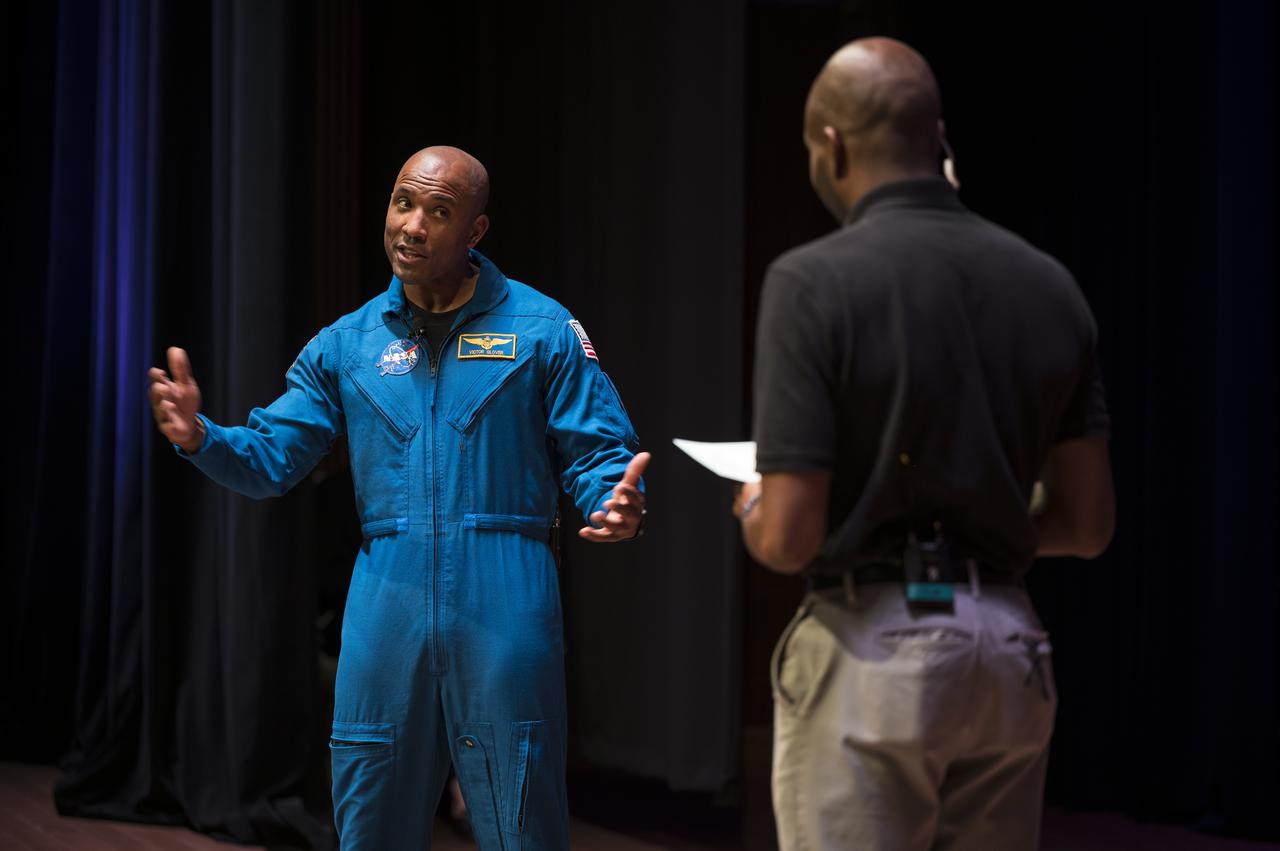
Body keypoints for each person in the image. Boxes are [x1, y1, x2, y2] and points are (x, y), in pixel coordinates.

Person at [150, 146, 649, 850]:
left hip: (505, 594)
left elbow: (600, 454)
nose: (412, 225)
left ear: (475, 231)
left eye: (439, 211)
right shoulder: (346, 344)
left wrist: (613, 502)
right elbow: (270, 458)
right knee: (372, 817)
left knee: (522, 819)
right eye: (402, 203)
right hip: (386, 599)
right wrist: (201, 436)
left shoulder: (542, 329)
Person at [733, 38, 1114, 851]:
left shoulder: (811, 281)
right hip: (1011, 648)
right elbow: (1087, 524)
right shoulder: (1051, 284)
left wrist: (757, 505)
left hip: (874, 649)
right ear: (938, 138)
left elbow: (790, 536)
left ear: (831, 145)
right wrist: (984, 521)